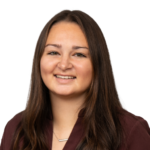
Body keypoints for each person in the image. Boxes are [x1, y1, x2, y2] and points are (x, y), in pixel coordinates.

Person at [0, 8, 150, 150]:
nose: (64, 64)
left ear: (97, 64)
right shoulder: (16, 129)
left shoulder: (129, 131)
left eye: (79, 54)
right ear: (39, 60)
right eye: (53, 52)